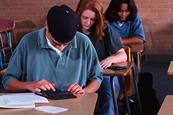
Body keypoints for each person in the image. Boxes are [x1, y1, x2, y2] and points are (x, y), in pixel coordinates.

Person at [2, 5, 103, 97]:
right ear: (46, 25)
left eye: (66, 44)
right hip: (37, 105)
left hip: (75, 103)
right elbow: (7, 81)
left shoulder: (83, 42)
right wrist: (29, 85)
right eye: (56, 43)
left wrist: (84, 91)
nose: (60, 47)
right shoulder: (28, 42)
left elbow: (97, 78)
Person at [76, 0, 127, 114]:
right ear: (79, 14)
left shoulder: (105, 28)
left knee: (108, 88)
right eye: (85, 18)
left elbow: (123, 55)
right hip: (78, 74)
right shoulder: (71, 29)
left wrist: (111, 58)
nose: (88, 22)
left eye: (92, 19)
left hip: (101, 75)